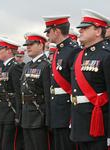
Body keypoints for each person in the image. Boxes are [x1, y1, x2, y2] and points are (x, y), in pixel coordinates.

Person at [70, 9, 110, 150]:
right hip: (80, 123)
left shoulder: (106, 55)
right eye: (80, 28)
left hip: (99, 125)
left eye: (85, 28)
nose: (80, 31)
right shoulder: (78, 56)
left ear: (98, 31)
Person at [42, 15, 81, 150]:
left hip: (67, 111)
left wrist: (72, 116)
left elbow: (76, 85)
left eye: (48, 31)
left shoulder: (73, 50)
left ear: (56, 31)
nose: (47, 35)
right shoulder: (59, 51)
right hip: (57, 110)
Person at [21, 33, 51, 150]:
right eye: (27, 45)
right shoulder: (27, 65)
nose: (28, 47)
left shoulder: (45, 65)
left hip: (39, 115)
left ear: (41, 45)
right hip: (27, 114)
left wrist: (48, 119)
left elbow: (48, 94)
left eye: (31, 44)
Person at [0, 37, 24, 150]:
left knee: (11, 144)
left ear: (8, 50)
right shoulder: (5, 67)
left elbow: (18, 92)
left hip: (11, 110)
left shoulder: (15, 67)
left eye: (1, 48)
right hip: (4, 109)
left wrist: (18, 114)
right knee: (4, 143)